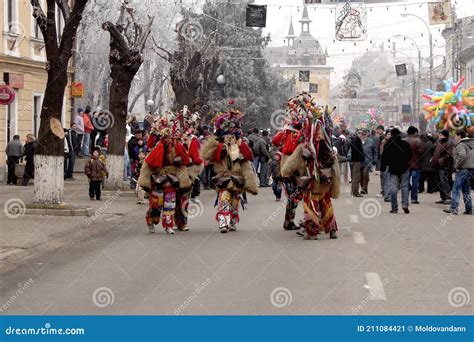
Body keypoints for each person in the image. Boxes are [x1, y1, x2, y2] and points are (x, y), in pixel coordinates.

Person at [279, 94, 339, 240]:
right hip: (325, 181)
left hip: (310, 182)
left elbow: (290, 166)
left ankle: (312, 232)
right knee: (325, 203)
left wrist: (284, 173)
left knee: (310, 204)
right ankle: (331, 230)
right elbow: (335, 167)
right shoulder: (328, 148)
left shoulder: (304, 147)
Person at [201, 105, 258, 233]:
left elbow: (249, 156)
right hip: (223, 177)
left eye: (232, 135)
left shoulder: (240, 144)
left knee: (235, 202)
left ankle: (232, 221)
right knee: (224, 199)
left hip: (237, 177)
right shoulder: (219, 145)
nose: (229, 138)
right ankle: (223, 223)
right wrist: (221, 147)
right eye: (227, 135)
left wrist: (239, 143)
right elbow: (210, 157)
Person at [381, 128, 413, 214]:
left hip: (393, 169)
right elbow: (410, 155)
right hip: (404, 168)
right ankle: (405, 205)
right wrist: (405, 161)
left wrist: (384, 167)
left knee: (393, 187)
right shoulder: (404, 144)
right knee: (405, 186)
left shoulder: (388, 144)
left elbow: (384, 157)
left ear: (391, 135)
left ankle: (394, 208)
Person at [443, 130, 473, 215]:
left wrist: (456, 165)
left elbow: (462, 155)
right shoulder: (471, 143)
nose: (455, 138)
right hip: (470, 169)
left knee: (456, 188)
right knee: (466, 190)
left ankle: (454, 208)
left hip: (462, 169)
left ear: (459, 136)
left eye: (455, 136)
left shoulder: (461, 144)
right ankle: (469, 208)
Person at [431, 130, 454, 204]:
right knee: (438, 182)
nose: (439, 136)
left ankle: (447, 197)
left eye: (441, 135)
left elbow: (449, 155)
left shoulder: (449, 143)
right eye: (439, 135)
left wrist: (441, 160)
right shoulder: (438, 142)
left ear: (445, 136)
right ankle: (443, 197)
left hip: (443, 165)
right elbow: (436, 152)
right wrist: (432, 158)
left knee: (443, 181)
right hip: (436, 165)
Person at [404, 126, 424, 204]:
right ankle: (414, 198)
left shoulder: (403, 141)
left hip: (405, 165)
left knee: (405, 182)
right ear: (415, 132)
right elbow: (421, 152)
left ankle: (405, 198)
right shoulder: (417, 141)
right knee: (415, 182)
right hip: (416, 165)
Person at [348, 130, 365, 197]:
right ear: (356, 133)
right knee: (356, 177)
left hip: (357, 160)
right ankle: (355, 192)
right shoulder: (356, 141)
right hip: (356, 161)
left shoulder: (357, 140)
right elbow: (356, 152)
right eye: (359, 133)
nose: (361, 134)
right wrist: (361, 157)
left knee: (356, 176)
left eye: (362, 133)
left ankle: (354, 191)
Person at [360, 129, 377, 194]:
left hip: (368, 161)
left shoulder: (371, 142)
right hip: (360, 161)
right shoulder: (359, 141)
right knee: (361, 176)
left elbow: (375, 152)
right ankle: (363, 188)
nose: (363, 135)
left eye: (365, 134)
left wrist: (374, 160)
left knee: (365, 175)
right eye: (362, 134)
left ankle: (364, 189)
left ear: (367, 134)